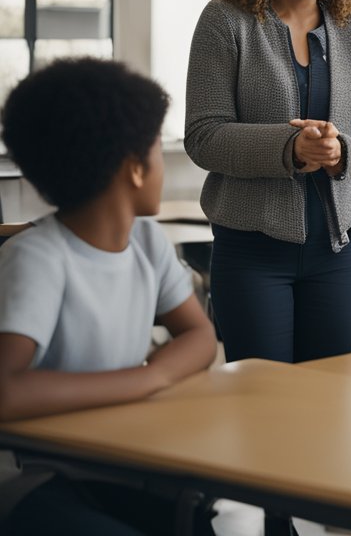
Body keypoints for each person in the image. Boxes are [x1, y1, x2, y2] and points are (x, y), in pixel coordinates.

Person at [0, 58, 217, 534]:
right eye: (159, 149)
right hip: (41, 480)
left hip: (119, 463)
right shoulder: (39, 257)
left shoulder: (147, 242)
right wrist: (143, 381)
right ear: (136, 169)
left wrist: (157, 371)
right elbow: (6, 390)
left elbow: (200, 336)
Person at [185, 0, 351, 363]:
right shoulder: (225, 21)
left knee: (330, 400)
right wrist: (291, 147)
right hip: (252, 251)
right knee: (262, 405)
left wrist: (340, 153)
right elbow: (204, 136)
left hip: (335, 254)